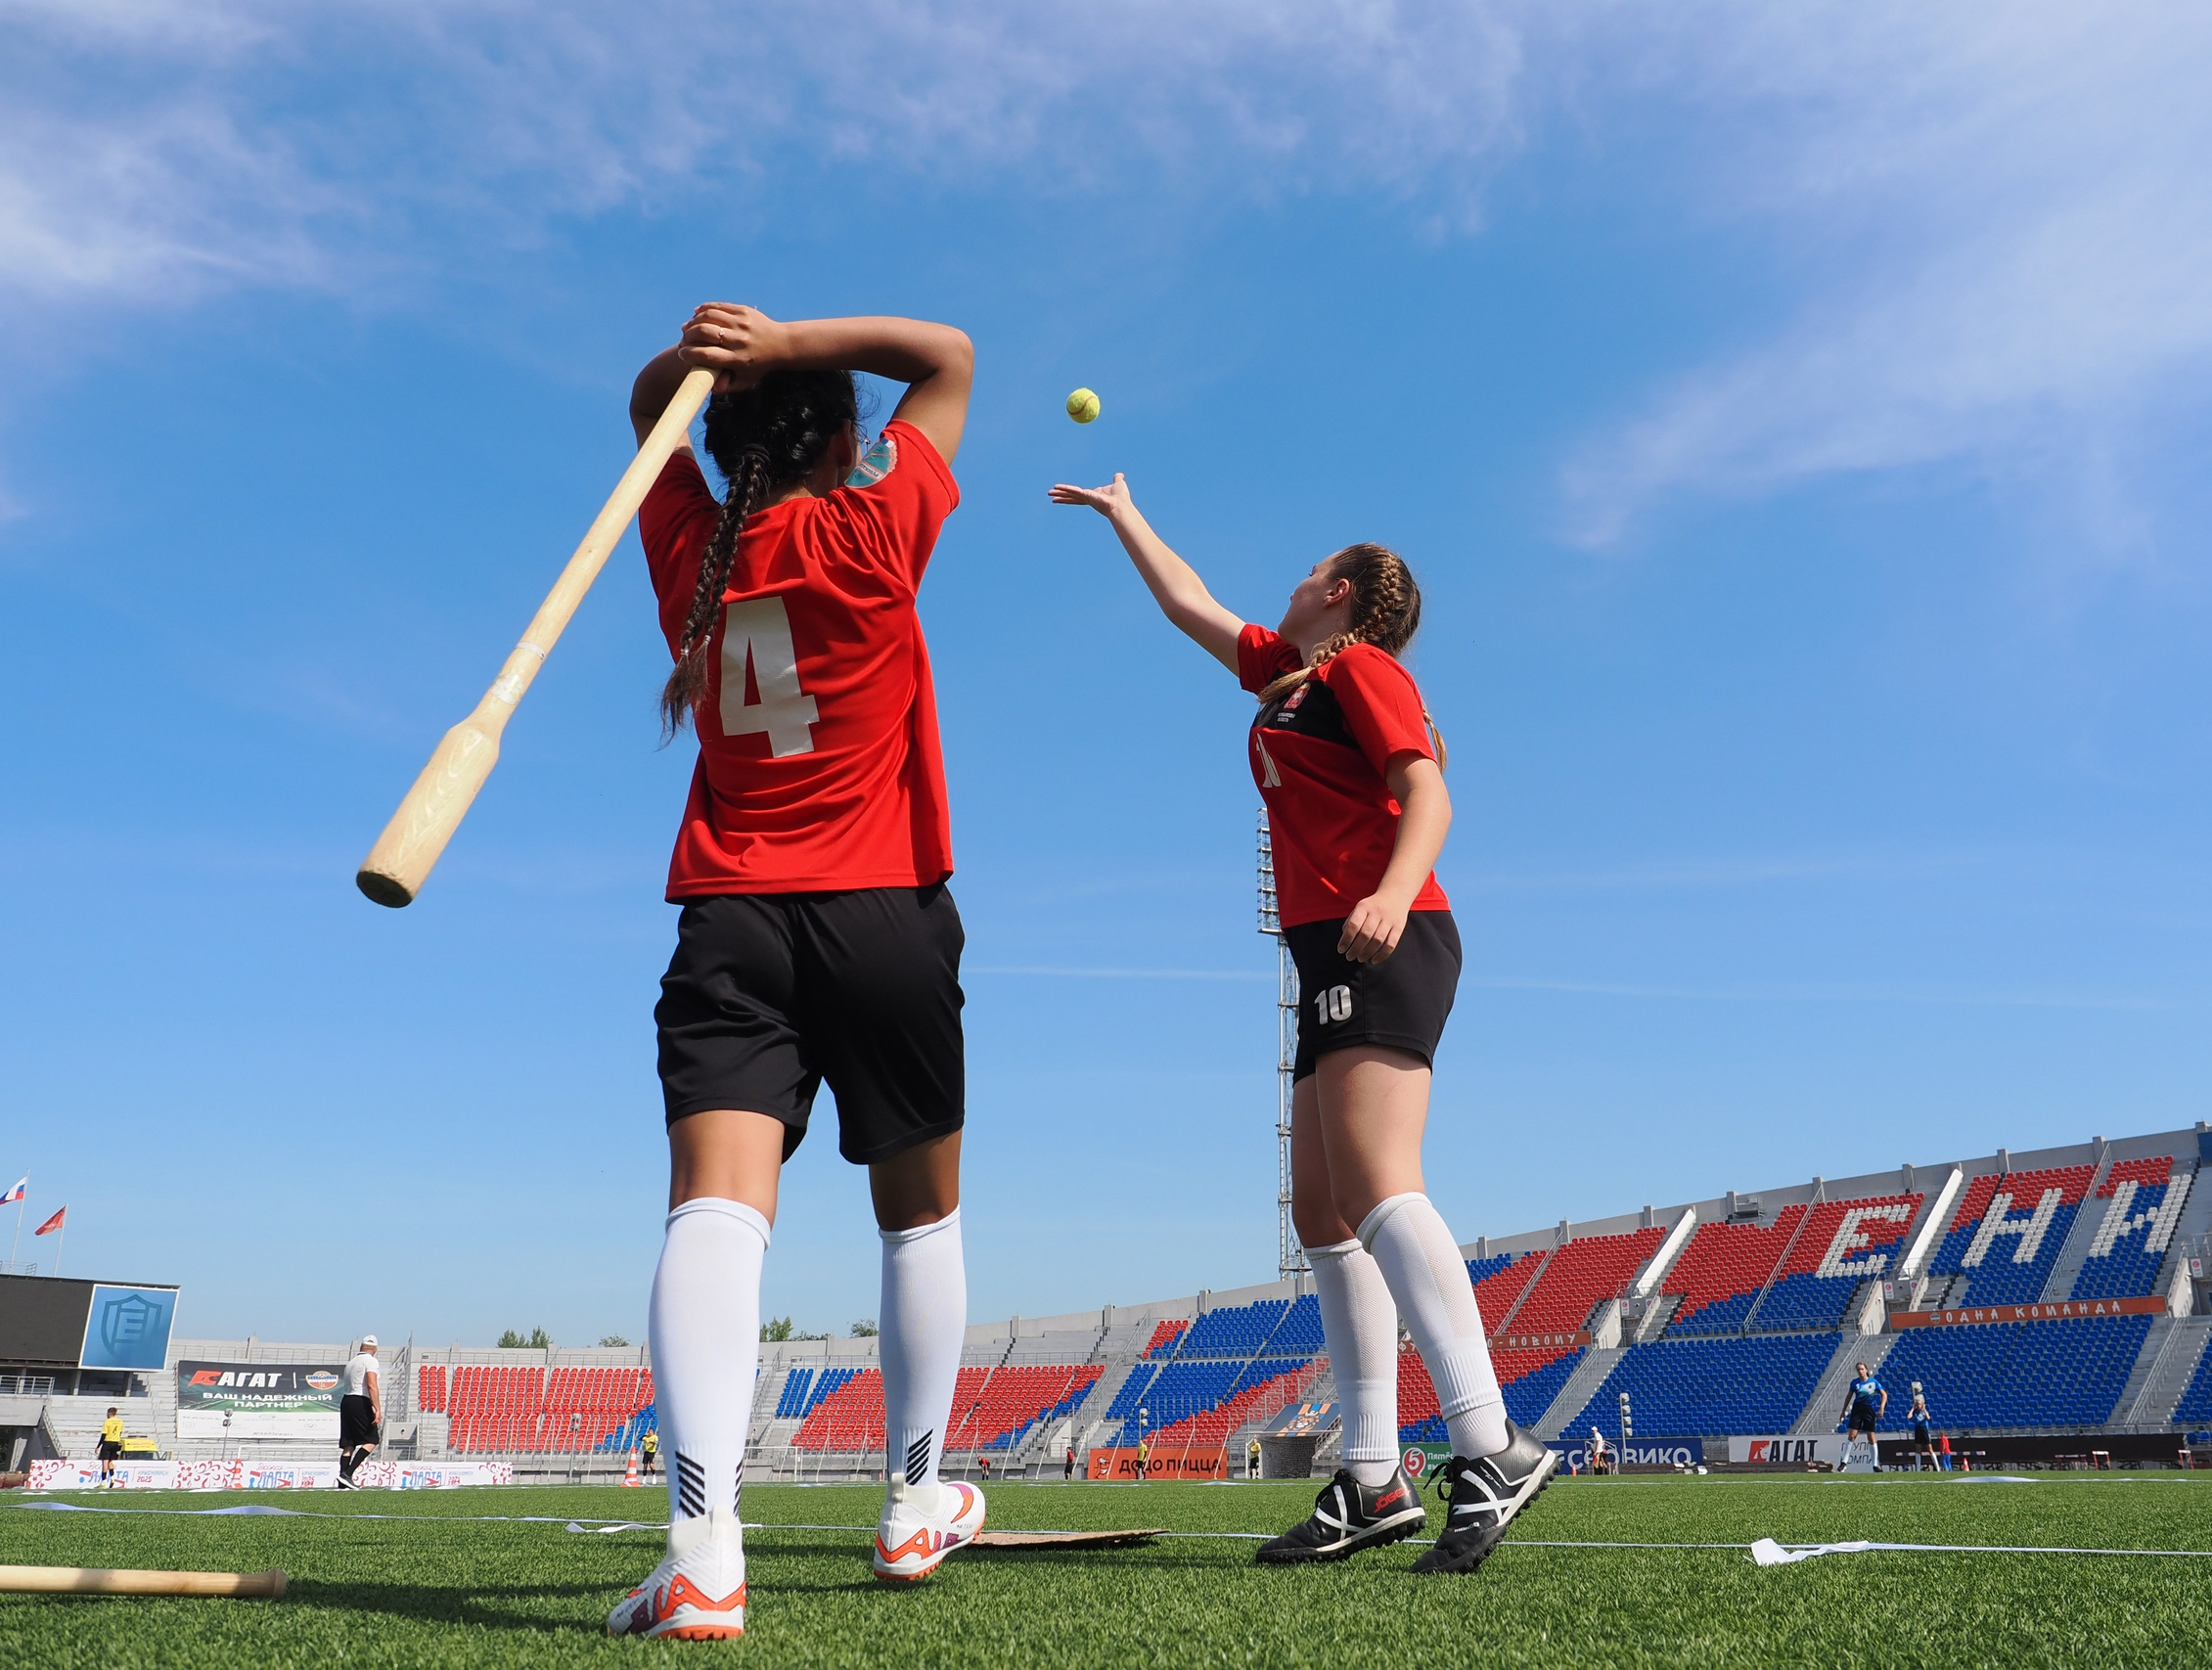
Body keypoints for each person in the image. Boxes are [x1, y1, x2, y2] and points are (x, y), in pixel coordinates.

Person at [1053, 475, 1551, 1576]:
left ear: (1336, 591)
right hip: (1327, 949)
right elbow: (1190, 606)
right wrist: (1127, 512)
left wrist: (1387, 891)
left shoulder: (1364, 669)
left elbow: (1428, 791)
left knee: (1378, 1183)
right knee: (1324, 1211)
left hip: (1388, 933)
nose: (1283, 584)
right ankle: (1373, 1476)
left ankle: (1490, 1440)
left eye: (1304, 570)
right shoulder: (1291, 675)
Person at [609, 306, 979, 1642]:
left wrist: (704, 362)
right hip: (883, 907)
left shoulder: (692, 551)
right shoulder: (873, 526)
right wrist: (787, 339)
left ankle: (703, 1553)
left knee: (714, 1209)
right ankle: (913, 1502)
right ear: (838, 435)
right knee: (918, 1215)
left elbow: (642, 402)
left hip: (731, 919)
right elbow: (949, 356)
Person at [339, 1334, 384, 1488]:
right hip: (360, 1400)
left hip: (347, 1400)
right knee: (372, 1440)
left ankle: (342, 1480)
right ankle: (348, 1474)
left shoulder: (351, 1362)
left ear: (361, 1347)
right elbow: (371, 1384)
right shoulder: (371, 1361)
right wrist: (377, 1408)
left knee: (349, 1443)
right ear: (375, 1350)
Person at [1839, 1360, 1884, 1472]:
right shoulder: (1855, 1383)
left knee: (1871, 1437)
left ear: (1866, 1370)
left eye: (1862, 1369)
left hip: (1869, 1410)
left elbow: (1884, 1394)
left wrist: (1881, 1407)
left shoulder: (1873, 1382)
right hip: (1857, 1409)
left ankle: (1875, 1465)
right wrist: (1843, 1411)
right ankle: (1844, 1462)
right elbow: (1848, 1397)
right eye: (1858, 1369)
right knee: (1852, 1435)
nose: (1860, 1371)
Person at [1907, 1381, 1938, 1472]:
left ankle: (1937, 1467)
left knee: (1929, 1448)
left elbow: (1928, 1417)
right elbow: (1909, 1417)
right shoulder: (1915, 1413)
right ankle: (1918, 1469)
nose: (1918, 1405)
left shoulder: (1923, 1412)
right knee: (1918, 1448)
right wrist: (1913, 1408)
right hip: (1918, 1429)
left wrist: (1924, 1409)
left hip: (1924, 1429)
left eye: (1919, 1404)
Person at [97, 1406, 124, 1486]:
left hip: (108, 1442)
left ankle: (103, 1482)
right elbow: (120, 1433)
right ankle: (112, 1478)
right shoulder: (120, 1421)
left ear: (109, 1413)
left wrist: (98, 1446)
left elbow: (104, 1435)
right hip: (115, 1442)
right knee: (110, 1461)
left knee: (105, 1462)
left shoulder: (107, 1422)